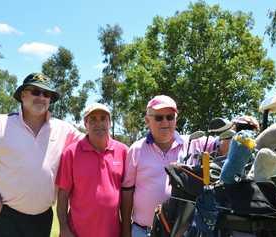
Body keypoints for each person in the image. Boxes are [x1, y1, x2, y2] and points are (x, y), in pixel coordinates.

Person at [0, 73, 82, 237]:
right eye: (35, 91)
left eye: (46, 94)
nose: (41, 97)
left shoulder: (64, 129)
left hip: (42, 219)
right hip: (4, 216)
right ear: (22, 95)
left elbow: (92, 145)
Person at [120, 95, 217, 237]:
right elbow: (127, 192)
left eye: (170, 117)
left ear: (176, 119)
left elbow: (223, 144)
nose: (165, 122)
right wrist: (126, 231)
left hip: (184, 232)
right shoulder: (136, 149)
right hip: (143, 231)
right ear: (148, 120)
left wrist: (240, 129)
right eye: (159, 117)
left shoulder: (194, 143)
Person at [55, 103, 128, 237]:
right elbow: (63, 195)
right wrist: (64, 229)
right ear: (85, 124)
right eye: (92, 119)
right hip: (77, 232)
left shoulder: (123, 151)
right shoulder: (71, 153)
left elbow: (126, 196)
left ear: (110, 122)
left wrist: (126, 230)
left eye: (103, 118)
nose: (98, 123)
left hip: (112, 233)